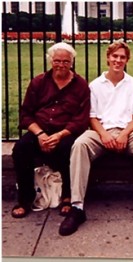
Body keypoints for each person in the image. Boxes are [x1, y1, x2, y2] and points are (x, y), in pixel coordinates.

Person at [59, 41, 133, 236]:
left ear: (127, 60)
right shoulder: (95, 85)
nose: (118, 60)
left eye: (122, 57)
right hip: (101, 132)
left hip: (129, 132)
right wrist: (104, 135)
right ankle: (77, 207)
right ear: (108, 58)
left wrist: (124, 134)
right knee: (80, 145)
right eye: (114, 56)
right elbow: (92, 117)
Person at [11, 42, 90, 218]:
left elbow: (81, 119)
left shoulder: (80, 85)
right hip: (40, 130)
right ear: (50, 61)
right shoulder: (39, 82)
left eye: (66, 61)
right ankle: (25, 199)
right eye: (57, 60)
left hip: (65, 132)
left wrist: (60, 135)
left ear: (72, 62)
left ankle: (68, 197)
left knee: (70, 149)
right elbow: (26, 114)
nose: (61, 65)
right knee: (20, 149)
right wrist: (40, 134)